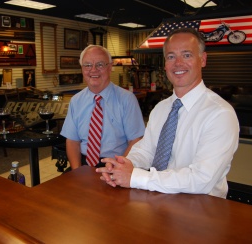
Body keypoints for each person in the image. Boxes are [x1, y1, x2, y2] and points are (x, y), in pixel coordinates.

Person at [96, 28, 239, 198]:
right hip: (159, 200)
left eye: (186, 55)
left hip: (200, 210)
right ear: (165, 64)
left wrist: (135, 177)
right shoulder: (161, 108)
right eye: (171, 56)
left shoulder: (220, 114)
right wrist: (124, 165)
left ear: (203, 59)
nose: (178, 63)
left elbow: (202, 179)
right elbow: (147, 150)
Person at [60, 45, 145, 170]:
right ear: (82, 69)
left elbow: (136, 140)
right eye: (87, 65)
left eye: (100, 64)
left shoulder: (127, 99)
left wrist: (118, 169)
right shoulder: (76, 101)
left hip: (116, 164)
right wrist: (77, 171)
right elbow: (72, 141)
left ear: (110, 67)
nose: (93, 70)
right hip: (83, 165)